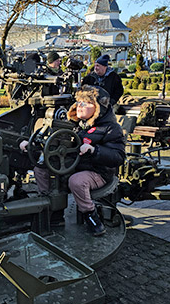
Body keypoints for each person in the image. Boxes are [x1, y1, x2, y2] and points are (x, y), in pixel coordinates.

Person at [19, 85, 126, 236]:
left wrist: (95, 150)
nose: (80, 106)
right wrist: (31, 145)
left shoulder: (110, 128)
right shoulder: (72, 125)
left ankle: (91, 216)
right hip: (73, 167)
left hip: (98, 172)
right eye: (79, 102)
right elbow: (54, 145)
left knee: (76, 181)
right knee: (41, 169)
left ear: (98, 108)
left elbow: (118, 157)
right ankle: (50, 208)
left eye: (86, 103)